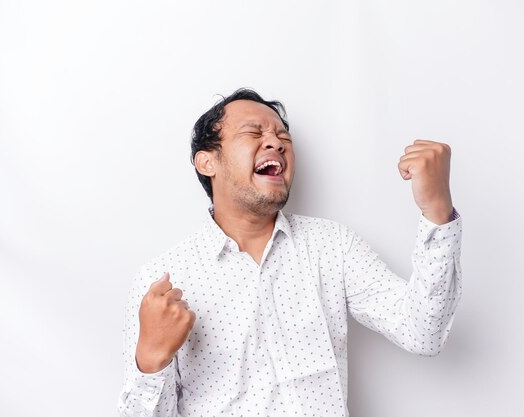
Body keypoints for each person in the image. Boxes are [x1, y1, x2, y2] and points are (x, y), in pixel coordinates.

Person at [117, 88, 463, 417]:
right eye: (254, 133)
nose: (276, 143)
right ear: (207, 162)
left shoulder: (332, 246)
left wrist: (436, 211)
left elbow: (423, 333)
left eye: (284, 138)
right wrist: (150, 360)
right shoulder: (163, 281)